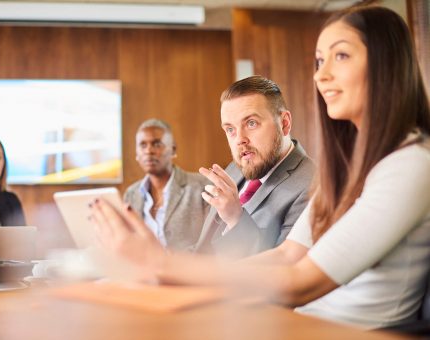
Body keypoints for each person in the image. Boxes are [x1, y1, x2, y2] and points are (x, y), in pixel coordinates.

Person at [89, 5, 430, 329]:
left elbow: (299, 282)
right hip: (300, 322)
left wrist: (162, 265)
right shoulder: (350, 167)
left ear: (386, 64)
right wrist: (164, 279)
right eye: (319, 60)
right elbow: (285, 256)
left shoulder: (410, 165)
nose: (321, 75)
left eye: (340, 56)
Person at [193, 76, 314, 259]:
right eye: (230, 129)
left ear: (284, 123)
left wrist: (235, 218)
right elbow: (205, 249)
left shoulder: (314, 186)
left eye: (251, 123)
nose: (239, 139)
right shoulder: (236, 168)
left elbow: (283, 275)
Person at [124, 119, 209, 250]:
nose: (149, 151)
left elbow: (212, 243)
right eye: (142, 145)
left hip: (189, 269)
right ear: (136, 154)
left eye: (157, 144)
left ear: (173, 150)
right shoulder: (131, 194)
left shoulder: (201, 187)